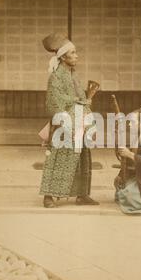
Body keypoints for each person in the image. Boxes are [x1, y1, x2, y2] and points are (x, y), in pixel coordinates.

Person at [39, 33, 99, 208]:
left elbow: (79, 98)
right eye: (72, 53)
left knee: (82, 158)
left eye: (75, 52)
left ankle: (82, 195)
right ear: (63, 57)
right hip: (65, 123)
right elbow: (54, 102)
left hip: (81, 121)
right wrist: (67, 125)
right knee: (59, 158)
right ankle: (48, 196)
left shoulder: (73, 75)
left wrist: (88, 97)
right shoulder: (56, 77)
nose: (76, 56)